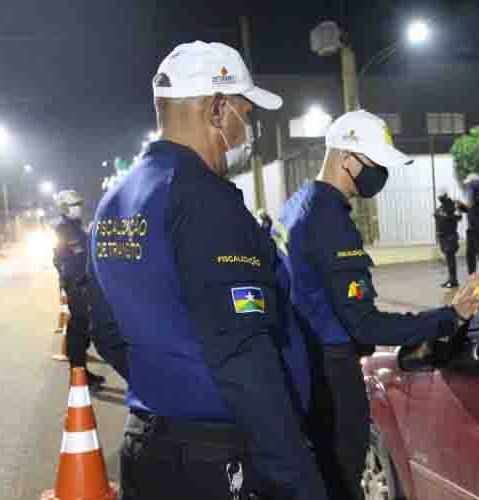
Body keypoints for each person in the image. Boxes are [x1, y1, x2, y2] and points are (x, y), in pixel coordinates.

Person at [88, 41, 327, 500]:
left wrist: (170, 384)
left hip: (147, 449)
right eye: (245, 112)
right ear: (218, 109)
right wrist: (299, 479)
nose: (248, 129)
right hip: (220, 459)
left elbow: (108, 332)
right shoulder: (205, 200)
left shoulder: (113, 203)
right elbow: (243, 354)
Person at [275, 109, 479, 500]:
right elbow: (364, 325)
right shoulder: (328, 219)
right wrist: (449, 315)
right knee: (339, 485)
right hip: (331, 379)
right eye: (375, 165)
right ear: (346, 158)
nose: (381, 177)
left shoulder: (296, 205)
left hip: (300, 369)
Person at [52, 189, 105, 389]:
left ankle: (82, 372)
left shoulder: (74, 226)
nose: (78, 208)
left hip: (82, 283)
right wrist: (75, 282)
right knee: (79, 329)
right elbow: (69, 259)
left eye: (79, 204)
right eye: (74, 205)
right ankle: (79, 376)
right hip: (77, 285)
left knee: (81, 329)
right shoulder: (64, 228)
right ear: (64, 207)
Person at [457, 175, 479, 274]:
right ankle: (471, 276)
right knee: (470, 254)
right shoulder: (473, 196)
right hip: (472, 228)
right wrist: (462, 206)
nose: (468, 187)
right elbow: (471, 210)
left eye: (469, 184)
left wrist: (472, 207)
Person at [434, 191, 461, 288]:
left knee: (451, 260)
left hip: (450, 238)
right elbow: (437, 215)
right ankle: (450, 279)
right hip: (443, 237)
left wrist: (447, 215)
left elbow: (458, 217)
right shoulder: (441, 208)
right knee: (448, 260)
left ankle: (453, 280)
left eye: (442, 198)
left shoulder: (451, 208)